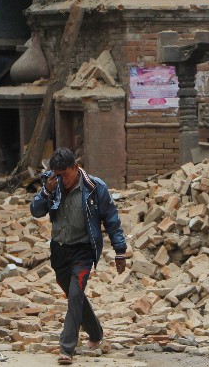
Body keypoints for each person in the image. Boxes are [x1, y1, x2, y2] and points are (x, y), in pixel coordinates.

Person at [30, 148, 127, 365]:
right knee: (74, 295)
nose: (61, 179)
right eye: (57, 174)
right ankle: (95, 333)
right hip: (60, 250)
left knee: (75, 295)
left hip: (83, 250)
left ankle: (66, 348)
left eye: (65, 173)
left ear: (76, 167)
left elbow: (112, 220)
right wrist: (46, 192)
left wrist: (120, 251)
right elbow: (35, 211)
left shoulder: (95, 188)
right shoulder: (51, 183)